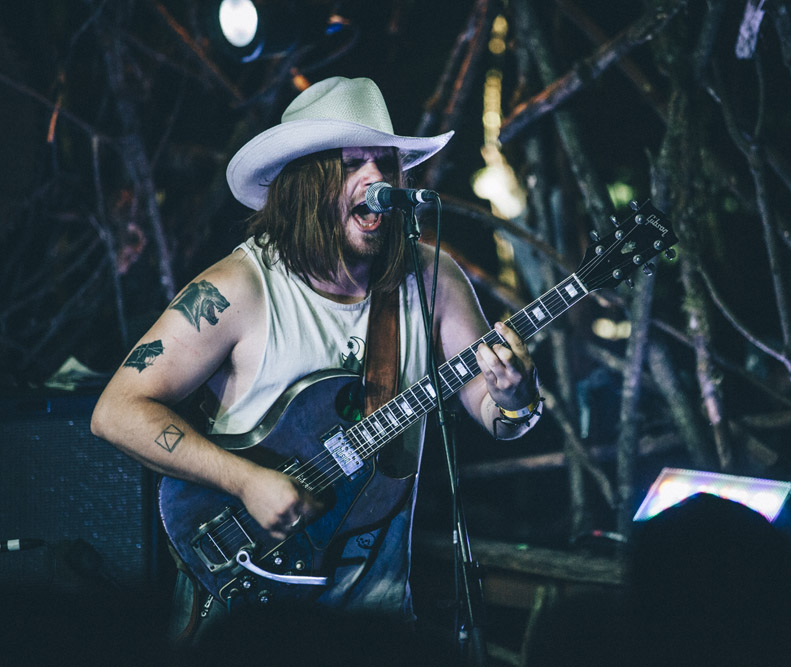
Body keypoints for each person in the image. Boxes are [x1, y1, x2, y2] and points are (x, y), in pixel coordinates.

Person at [90, 76, 542, 640]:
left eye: (384, 161)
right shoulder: (240, 288)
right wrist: (246, 482)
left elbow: (496, 416)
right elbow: (116, 411)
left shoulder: (432, 279)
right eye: (353, 163)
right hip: (253, 627)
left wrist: (516, 398)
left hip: (378, 625)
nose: (376, 178)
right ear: (306, 183)